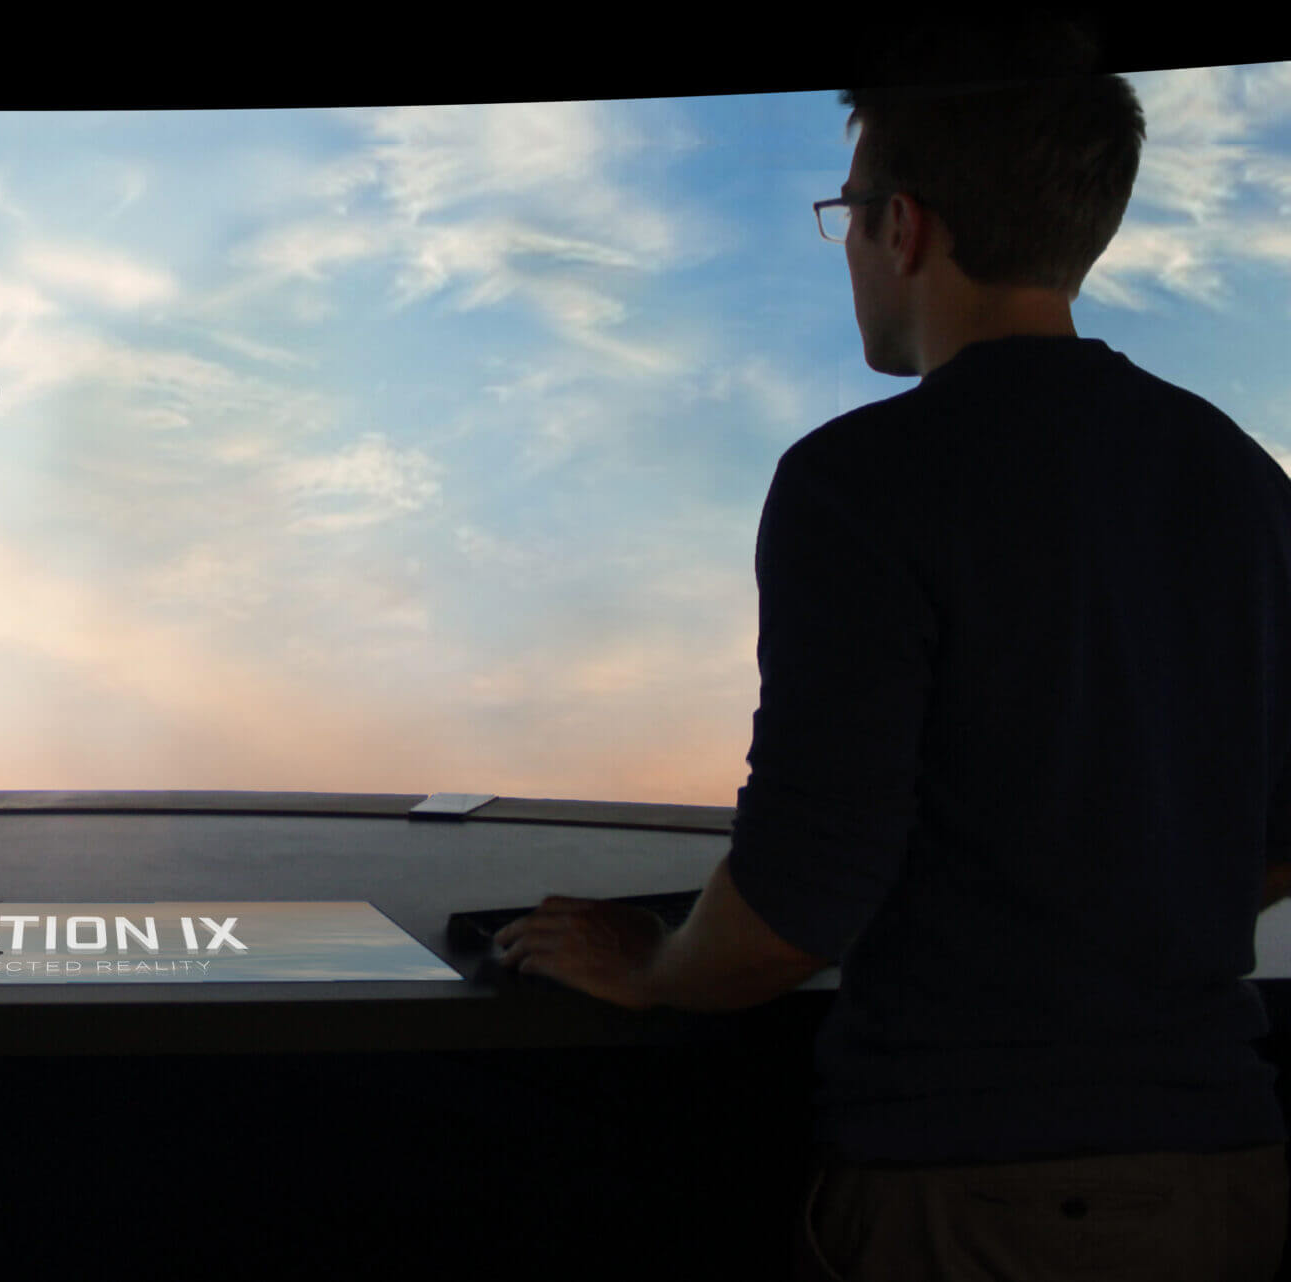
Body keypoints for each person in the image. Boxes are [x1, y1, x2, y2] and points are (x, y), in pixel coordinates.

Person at [491, 19, 1291, 1282]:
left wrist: (652, 966)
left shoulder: (855, 486)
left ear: (901, 227)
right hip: (1228, 1183)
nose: (848, 247)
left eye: (845, 212)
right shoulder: (1245, 481)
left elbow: (800, 894)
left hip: (968, 1200)